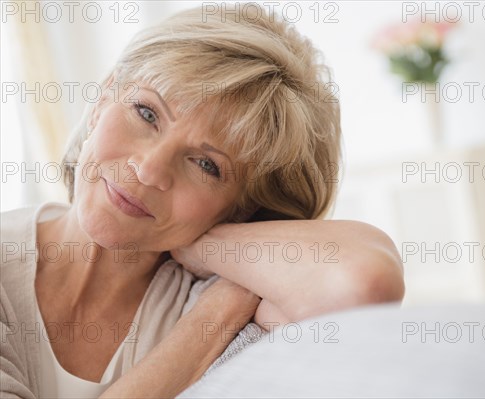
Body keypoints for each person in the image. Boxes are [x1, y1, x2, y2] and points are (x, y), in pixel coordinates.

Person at [0, 4, 405, 398]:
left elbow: (363, 281)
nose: (148, 170)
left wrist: (204, 249)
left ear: (242, 210)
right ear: (106, 97)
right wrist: (223, 309)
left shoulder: (211, 293)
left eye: (207, 165)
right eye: (146, 113)